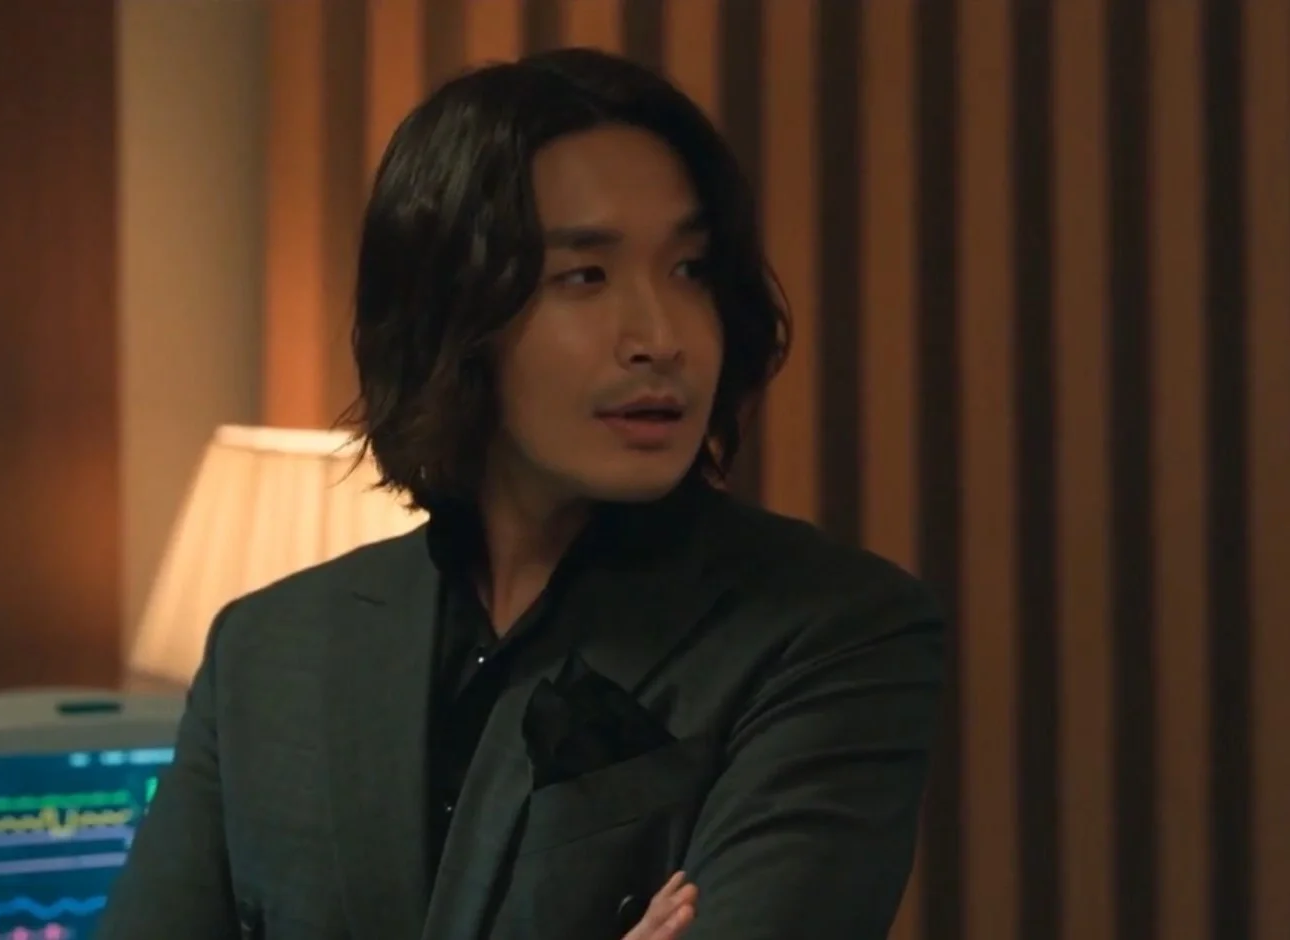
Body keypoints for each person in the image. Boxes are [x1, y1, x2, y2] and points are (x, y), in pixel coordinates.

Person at [98, 47, 945, 940]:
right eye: (586, 276)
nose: (662, 337)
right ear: (449, 315)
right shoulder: (269, 649)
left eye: (690, 269)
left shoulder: (834, 630)